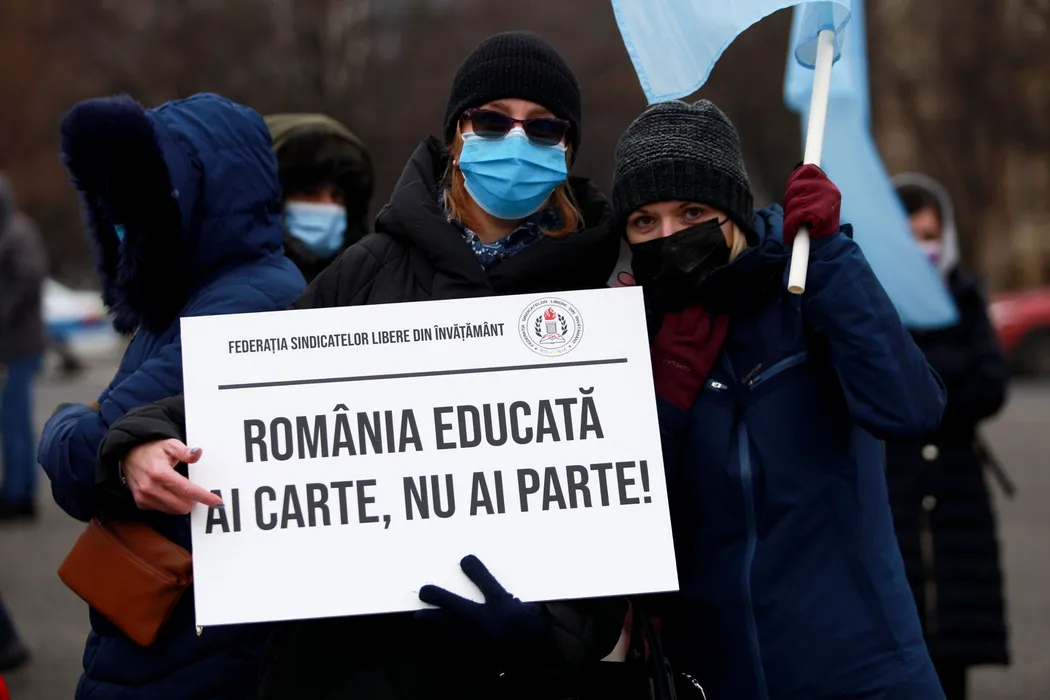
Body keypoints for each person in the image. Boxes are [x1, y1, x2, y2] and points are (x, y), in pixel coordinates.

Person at [96, 32, 625, 700]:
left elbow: (617, 506)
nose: (517, 141)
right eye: (492, 120)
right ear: (457, 135)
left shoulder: (597, 305)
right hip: (338, 669)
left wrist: (550, 636)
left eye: (543, 126)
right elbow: (254, 394)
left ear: (568, 148)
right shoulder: (368, 269)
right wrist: (141, 440)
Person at [612, 101, 948, 699]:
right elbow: (628, 526)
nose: (670, 237)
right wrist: (667, 396)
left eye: (693, 212)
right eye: (644, 221)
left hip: (866, 672)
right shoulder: (631, 335)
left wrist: (833, 260)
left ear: (734, 210)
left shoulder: (807, 286)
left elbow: (910, 408)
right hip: (717, 679)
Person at [38, 93, 305, 699]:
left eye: (140, 192)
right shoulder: (191, 299)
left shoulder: (241, 307)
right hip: (178, 639)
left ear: (198, 196)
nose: (119, 213)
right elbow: (98, 437)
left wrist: (84, 427)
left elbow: (80, 459)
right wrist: (98, 434)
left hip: (198, 652)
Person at [884, 173, 1010, 700]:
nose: (924, 248)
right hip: (895, 484)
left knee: (953, 640)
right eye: (910, 236)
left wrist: (921, 405)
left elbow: (990, 383)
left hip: (957, 488)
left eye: (931, 235)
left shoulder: (963, 294)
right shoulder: (873, 302)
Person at [265, 113, 375, 281]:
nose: (327, 206)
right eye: (309, 193)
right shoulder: (239, 287)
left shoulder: (370, 282)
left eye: (337, 196)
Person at [0, 173, 47, 521]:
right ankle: (17, 491)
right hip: (14, 344)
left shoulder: (16, 232)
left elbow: (28, 279)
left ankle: (19, 495)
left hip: (19, 345)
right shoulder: (13, 231)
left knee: (14, 419)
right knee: (12, 419)